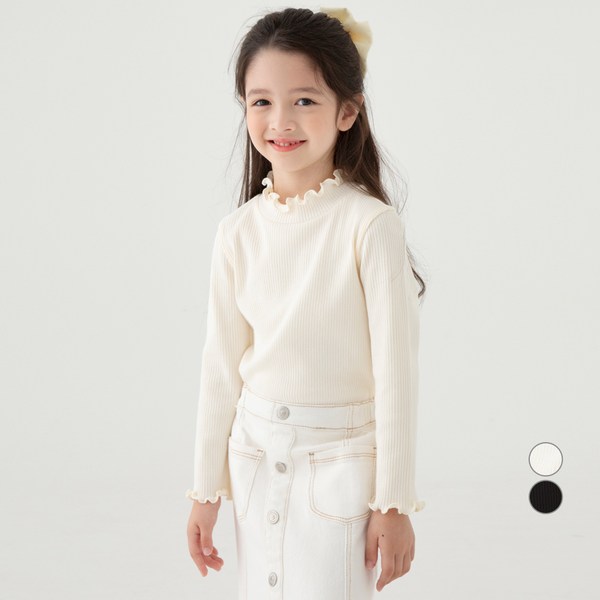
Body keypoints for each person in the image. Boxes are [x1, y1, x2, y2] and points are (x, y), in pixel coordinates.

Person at [185, 7, 427, 599]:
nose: (281, 121)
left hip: (339, 466)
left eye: (304, 100)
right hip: (254, 456)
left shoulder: (369, 225)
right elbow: (219, 370)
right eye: (261, 101)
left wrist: (393, 501)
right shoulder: (236, 233)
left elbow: (396, 374)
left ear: (348, 110)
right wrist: (205, 491)